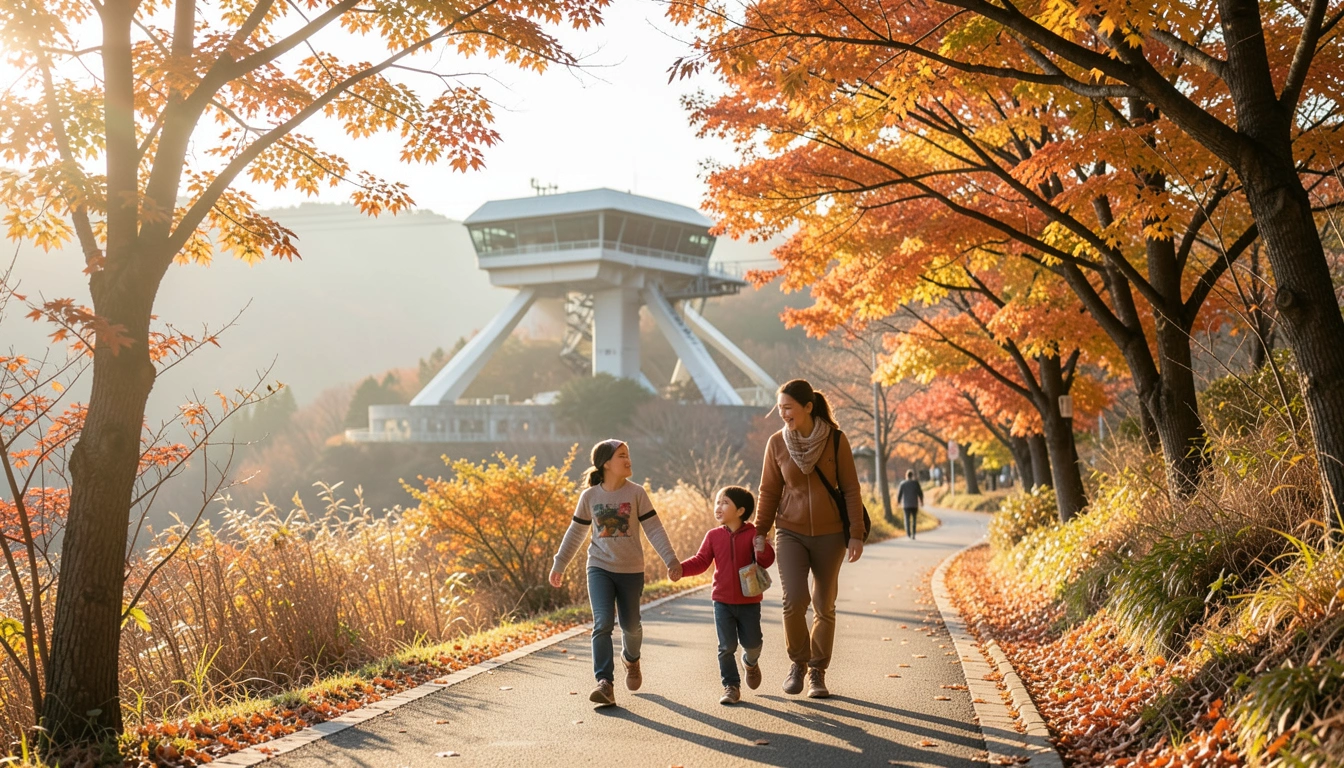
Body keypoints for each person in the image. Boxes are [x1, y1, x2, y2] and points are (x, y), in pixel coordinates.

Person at [754, 379, 866, 699]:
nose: (783, 414)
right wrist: (761, 531)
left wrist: (855, 534)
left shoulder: (835, 441)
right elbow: (769, 491)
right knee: (793, 601)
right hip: (789, 531)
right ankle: (798, 663)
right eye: (780, 409)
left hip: (831, 534)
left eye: (788, 407)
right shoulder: (777, 443)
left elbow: (850, 489)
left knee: (823, 604)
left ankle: (818, 670)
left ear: (807, 407)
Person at [550, 440, 682, 707]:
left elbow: (654, 529)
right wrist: (559, 563)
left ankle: (631, 660)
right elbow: (576, 533)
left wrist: (671, 559)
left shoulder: (637, 493)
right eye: (622, 456)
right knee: (602, 622)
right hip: (599, 566)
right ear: (606, 463)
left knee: (631, 626)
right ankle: (605, 683)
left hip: (631, 569)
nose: (628, 460)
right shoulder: (589, 497)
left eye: (629, 455)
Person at [678, 486, 776, 705]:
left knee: (753, 644)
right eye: (717, 502)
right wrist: (680, 569)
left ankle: (750, 662)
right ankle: (731, 686)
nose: (718, 507)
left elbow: (766, 561)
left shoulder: (753, 533)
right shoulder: (713, 536)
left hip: (749, 600)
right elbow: (701, 561)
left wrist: (762, 546)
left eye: (725, 503)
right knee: (726, 647)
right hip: (721, 601)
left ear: (740, 510)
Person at [896, 469, 925, 540]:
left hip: (906, 505)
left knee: (907, 519)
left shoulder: (903, 484)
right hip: (914, 504)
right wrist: (921, 501)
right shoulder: (915, 483)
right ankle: (913, 534)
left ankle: (908, 533)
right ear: (912, 476)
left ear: (906, 475)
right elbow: (920, 493)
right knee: (914, 519)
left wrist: (898, 502)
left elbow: (899, 494)